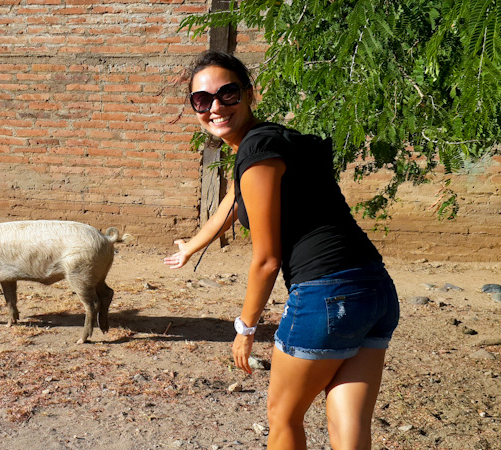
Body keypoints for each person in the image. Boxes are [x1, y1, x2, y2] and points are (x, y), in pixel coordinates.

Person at [164, 50, 400, 450]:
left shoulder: (256, 151)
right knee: (349, 422)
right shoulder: (273, 140)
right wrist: (192, 245)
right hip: (375, 291)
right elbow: (236, 200)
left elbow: (267, 259)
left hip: (326, 294)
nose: (215, 107)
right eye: (202, 100)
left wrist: (246, 328)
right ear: (194, 107)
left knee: (283, 418)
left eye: (228, 93)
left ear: (250, 94)